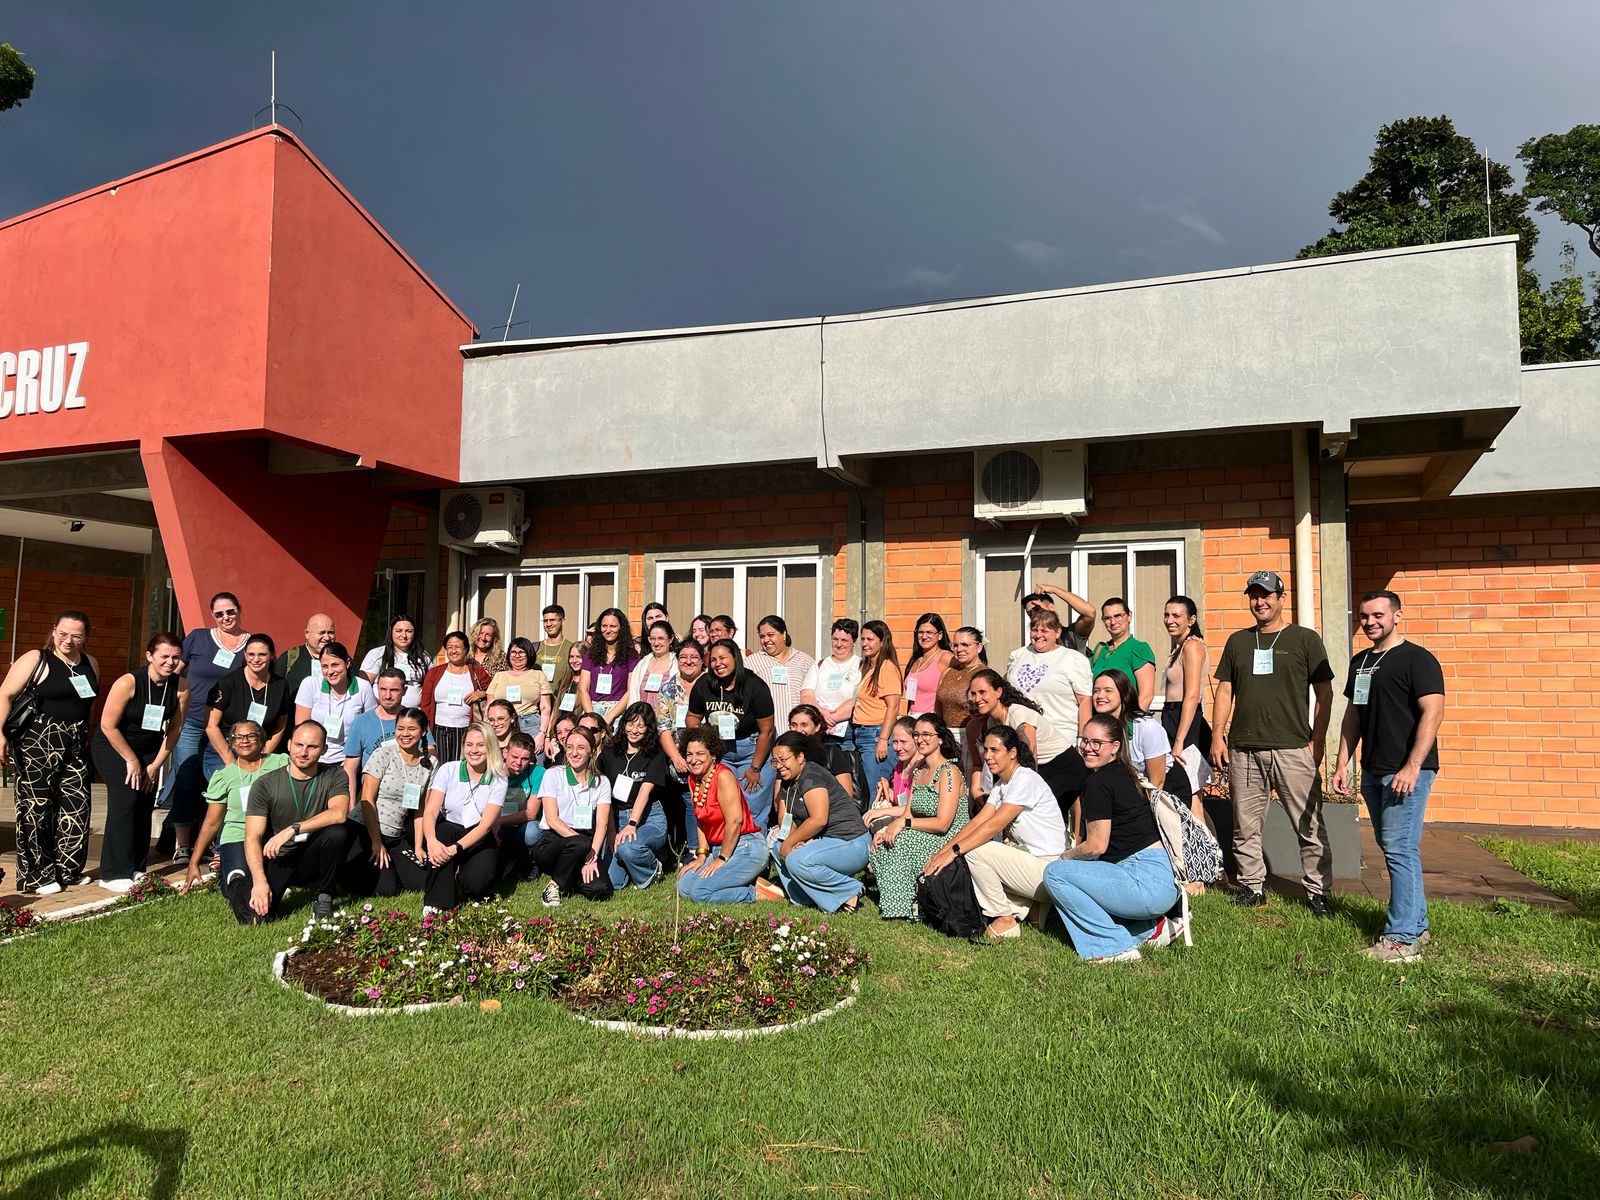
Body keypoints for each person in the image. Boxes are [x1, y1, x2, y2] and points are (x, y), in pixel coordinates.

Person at [1211, 569, 1335, 915]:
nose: (1259, 601)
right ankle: (1252, 887)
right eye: (1253, 595)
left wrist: (1318, 741)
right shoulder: (1238, 641)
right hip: (1244, 749)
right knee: (1245, 825)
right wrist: (1218, 736)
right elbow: (1225, 690)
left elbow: (1324, 693)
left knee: (1309, 825)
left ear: (1281, 598)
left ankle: (1318, 893)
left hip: (1292, 747)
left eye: (1266, 595)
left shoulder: (1304, 639)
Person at [1332, 590, 1446, 962]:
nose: (1370, 622)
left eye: (1378, 615)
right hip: (1374, 770)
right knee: (1395, 848)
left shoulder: (1417, 659)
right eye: (1365, 616)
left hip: (1406, 772)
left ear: (1397, 616)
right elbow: (1353, 715)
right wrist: (1342, 763)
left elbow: (1433, 712)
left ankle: (1401, 939)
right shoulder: (1361, 662)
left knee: (1400, 849)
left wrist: (1412, 766)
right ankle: (1417, 925)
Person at [1042, 714, 1182, 963]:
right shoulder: (1127, 773)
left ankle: (1112, 947)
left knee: (1055, 874)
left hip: (1144, 882)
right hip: (1163, 881)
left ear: (1115, 747)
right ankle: (1150, 929)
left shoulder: (1098, 782)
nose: (1087, 747)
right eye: (1084, 740)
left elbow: (1095, 846)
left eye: (1097, 743)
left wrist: (1064, 857)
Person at [923, 725, 1068, 942]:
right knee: (974, 867)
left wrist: (954, 852)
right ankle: (1032, 909)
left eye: (995, 750)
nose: (988, 756)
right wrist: (942, 852)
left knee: (976, 852)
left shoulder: (1025, 779)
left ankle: (1004, 918)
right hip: (1031, 862)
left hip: (1049, 869)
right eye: (986, 750)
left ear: (1012, 753)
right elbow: (978, 821)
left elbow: (994, 825)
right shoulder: (1002, 785)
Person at [0, 611, 99, 894]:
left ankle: (67, 869)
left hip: (75, 742)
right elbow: (5, 694)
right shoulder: (37, 658)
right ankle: (36, 875)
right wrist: (0, 735)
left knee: (76, 805)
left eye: (76, 636)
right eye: (63, 633)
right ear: (54, 630)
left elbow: (90, 704)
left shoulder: (90, 663)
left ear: (85, 636)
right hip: (38, 741)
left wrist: (86, 735)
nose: (68, 640)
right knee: (35, 809)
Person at [90, 633, 187, 892]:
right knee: (126, 799)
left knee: (144, 802)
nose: (170, 662)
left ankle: (136, 867)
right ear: (149, 656)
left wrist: (155, 765)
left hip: (149, 750)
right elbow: (107, 726)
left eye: (175, 657)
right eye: (164, 656)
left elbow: (175, 729)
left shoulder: (181, 687)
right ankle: (113, 872)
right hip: (115, 746)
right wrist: (131, 760)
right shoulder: (128, 682)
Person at [160, 592, 250, 864]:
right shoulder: (198, 638)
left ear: (239, 610)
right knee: (186, 779)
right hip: (191, 721)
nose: (226, 617)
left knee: (221, 782)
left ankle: (220, 846)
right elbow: (173, 671)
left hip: (225, 727)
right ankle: (182, 845)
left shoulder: (250, 644)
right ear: (213, 615)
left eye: (230, 611)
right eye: (219, 613)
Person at [242, 720, 351, 922]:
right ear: (289, 744)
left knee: (337, 833)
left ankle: (324, 896)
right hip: (280, 857)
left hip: (312, 855)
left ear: (324, 749)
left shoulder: (335, 775)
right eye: (299, 745)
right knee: (255, 917)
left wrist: (292, 829)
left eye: (312, 747)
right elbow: (252, 837)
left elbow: (339, 813)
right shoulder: (265, 784)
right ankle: (235, 882)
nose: (303, 752)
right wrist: (259, 881)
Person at [868, 713, 970, 919]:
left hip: (948, 836)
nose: (920, 739)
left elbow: (943, 823)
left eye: (926, 734)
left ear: (940, 739)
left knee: (903, 844)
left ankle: (909, 907)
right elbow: (908, 812)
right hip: (925, 831)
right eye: (916, 734)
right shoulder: (919, 771)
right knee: (882, 845)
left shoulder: (949, 772)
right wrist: (888, 829)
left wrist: (904, 824)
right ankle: (902, 902)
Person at [185, 720, 288, 904]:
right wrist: (194, 861)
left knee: (269, 883)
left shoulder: (280, 763)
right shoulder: (224, 777)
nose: (244, 741)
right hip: (237, 836)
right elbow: (211, 823)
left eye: (250, 736)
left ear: (261, 739)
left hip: (273, 835)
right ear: (231, 743)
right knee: (238, 884)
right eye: (238, 737)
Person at [767, 731, 871, 912]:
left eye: (783, 759)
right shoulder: (787, 781)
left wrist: (791, 844)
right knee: (777, 845)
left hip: (851, 843)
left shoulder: (811, 775)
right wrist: (794, 840)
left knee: (796, 860)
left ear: (800, 757)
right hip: (823, 841)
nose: (778, 766)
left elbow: (819, 820)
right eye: (775, 761)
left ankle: (850, 890)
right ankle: (805, 897)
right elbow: (786, 820)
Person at [966, 669, 1079, 822]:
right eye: (973, 694)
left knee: (1036, 815)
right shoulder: (991, 722)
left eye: (982, 692)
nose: (977, 699)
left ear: (998, 692)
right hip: (1041, 768)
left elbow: (1029, 764)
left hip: (1064, 767)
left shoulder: (1018, 716)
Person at [686, 639, 777, 827]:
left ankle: (753, 846)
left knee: (752, 810)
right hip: (720, 750)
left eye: (722, 658)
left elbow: (767, 731)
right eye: (713, 660)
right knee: (723, 806)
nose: (717, 664)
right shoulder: (704, 684)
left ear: (735, 658)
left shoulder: (755, 686)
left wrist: (755, 768)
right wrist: (701, 739)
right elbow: (692, 717)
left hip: (753, 749)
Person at [420, 721, 507, 913]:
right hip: (450, 828)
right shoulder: (448, 769)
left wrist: (454, 850)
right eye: (469, 744)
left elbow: (485, 826)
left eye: (480, 745)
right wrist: (431, 841)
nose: (474, 750)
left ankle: (462, 877)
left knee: (477, 886)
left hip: (478, 834)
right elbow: (431, 810)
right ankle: (437, 902)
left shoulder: (499, 778)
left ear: (490, 747)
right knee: (442, 833)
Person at [675, 726, 765, 904]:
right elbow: (700, 819)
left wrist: (723, 857)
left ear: (713, 755)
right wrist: (702, 855)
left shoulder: (723, 775)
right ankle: (741, 882)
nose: (693, 760)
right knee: (684, 887)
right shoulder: (693, 779)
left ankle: (756, 893)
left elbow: (735, 821)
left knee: (700, 893)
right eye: (689, 754)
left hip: (745, 847)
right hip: (717, 849)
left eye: (700, 754)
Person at [351, 707, 434, 898]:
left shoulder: (430, 765)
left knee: (422, 881)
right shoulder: (383, 754)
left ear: (423, 732)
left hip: (395, 836)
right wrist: (376, 841)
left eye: (411, 729)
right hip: (366, 830)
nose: (405, 734)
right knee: (386, 889)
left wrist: (419, 846)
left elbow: (421, 810)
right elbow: (366, 799)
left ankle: (392, 870)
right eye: (400, 728)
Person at [531, 726, 614, 905]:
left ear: (592, 751)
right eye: (570, 747)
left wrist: (592, 855)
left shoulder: (602, 782)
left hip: (586, 842)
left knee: (599, 888)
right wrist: (584, 846)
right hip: (554, 841)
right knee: (580, 843)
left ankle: (569, 879)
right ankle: (553, 886)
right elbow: (553, 820)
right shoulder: (553, 775)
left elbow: (602, 824)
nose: (574, 753)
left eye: (581, 748)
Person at [601, 702, 669, 889]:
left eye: (641, 726)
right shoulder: (609, 753)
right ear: (623, 724)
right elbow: (604, 796)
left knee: (628, 847)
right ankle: (634, 863)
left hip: (649, 817)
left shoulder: (655, 754)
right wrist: (611, 831)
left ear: (649, 729)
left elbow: (644, 793)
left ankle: (653, 869)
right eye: (630, 724)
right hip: (616, 816)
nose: (634, 730)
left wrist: (632, 824)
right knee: (612, 882)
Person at [293, 643, 377, 788]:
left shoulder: (363, 687)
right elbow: (301, 728)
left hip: (348, 759)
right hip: (315, 758)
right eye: (325, 666)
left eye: (335, 665)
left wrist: (353, 758)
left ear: (347, 663)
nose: (330, 671)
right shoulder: (310, 684)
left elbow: (371, 726)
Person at [1159, 596, 1214, 813]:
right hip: (1173, 718)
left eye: (1176, 615)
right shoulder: (1180, 647)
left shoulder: (1192, 646)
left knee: (1191, 798)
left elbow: (1191, 696)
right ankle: (1209, 837)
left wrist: (1180, 740)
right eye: (1166, 615)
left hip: (1186, 723)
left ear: (1191, 620)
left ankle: (1205, 838)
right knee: (1188, 797)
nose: (1169, 620)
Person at [655, 638, 707, 863]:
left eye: (694, 657)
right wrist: (676, 757)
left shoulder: (711, 684)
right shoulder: (668, 688)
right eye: (683, 657)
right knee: (690, 801)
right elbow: (663, 727)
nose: (688, 661)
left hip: (709, 756)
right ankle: (694, 849)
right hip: (680, 758)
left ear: (702, 660)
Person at [1006, 610, 1093, 740]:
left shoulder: (1073, 659)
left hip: (1060, 735)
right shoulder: (1018, 655)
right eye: (1034, 630)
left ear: (1057, 632)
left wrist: (1083, 738)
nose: (1038, 635)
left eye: (1044, 631)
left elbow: (1085, 701)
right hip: (1019, 735)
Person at [206, 635, 291, 762]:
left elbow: (280, 726)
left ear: (272, 655)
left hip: (261, 751)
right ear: (245, 655)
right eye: (251, 654)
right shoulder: (228, 683)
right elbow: (211, 726)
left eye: (262, 654)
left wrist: (263, 755)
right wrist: (231, 762)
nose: (256, 659)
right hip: (225, 751)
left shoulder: (280, 685)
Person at [1091, 669, 1172, 790]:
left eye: (1108, 690)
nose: (1100, 696)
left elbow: (1157, 781)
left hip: (1163, 788)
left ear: (1123, 694)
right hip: (1130, 787)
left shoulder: (1147, 727)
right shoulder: (1096, 728)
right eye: (1096, 691)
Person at [419, 631, 492, 763]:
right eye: (450, 647)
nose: (453, 651)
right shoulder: (434, 673)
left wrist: (482, 693)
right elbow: (425, 704)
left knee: (462, 765)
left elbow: (493, 690)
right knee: (441, 765)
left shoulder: (476, 671)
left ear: (466, 649)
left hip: (466, 729)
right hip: (439, 729)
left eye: (457, 647)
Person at [852, 620, 904, 800]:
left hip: (876, 733)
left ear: (882, 642)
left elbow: (893, 706)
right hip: (863, 733)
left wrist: (882, 739)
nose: (865, 643)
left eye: (870, 639)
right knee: (869, 788)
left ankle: (878, 820)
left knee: (877, 791)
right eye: (862, 639)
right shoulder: (869, 666)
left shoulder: (886, 667)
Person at [746, 615, 816, 729]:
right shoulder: (752, 662)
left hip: (799, 732)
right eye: (762, 636)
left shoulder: (804, 660)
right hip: (769, 732)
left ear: (783, 634)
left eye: (770, 635)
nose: (766, 640)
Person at [799, 618, 862, 745]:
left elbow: (858, 698)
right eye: (835, 639)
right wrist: (821, 713)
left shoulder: (861, 666)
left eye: (844, 640)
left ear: (854, 641)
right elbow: (806, 695)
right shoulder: (820, 664)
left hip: (847, 732)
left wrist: (832, 718)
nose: (838, 644)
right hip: (819, 729)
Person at [1090, 597, 1157, 710]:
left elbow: (1146, 696)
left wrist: (1131, 719)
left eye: (1118, 616)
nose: (1113, 622)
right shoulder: (1100, 650)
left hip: (1126, 717)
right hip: (1099, 718)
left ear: (1129, 616)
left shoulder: (1139, 649)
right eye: (1107, 618)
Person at [496, 731, 544, 882]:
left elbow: (531, 813)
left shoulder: (537, 773)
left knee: (532, 832)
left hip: (523, 825)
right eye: (515, 757)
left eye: (525, 759)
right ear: (505, 753)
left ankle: (531, 861)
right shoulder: (493, 773)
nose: (519, 762)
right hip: (498, 827)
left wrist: (499, 822)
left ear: (532, 758)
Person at [343, 668, 407, 781]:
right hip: (371, 787)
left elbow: (429, 752)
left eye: (394, 690)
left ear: (404, 690)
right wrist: (350, 793)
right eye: (383, 689)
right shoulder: (362, 721)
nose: (387, 696)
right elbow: (350, 767)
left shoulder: (414, 719)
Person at [936, 626, 988, 761]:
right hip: (945, 737)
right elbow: (938, 706)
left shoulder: (984, 675)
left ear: (979, 647)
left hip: (971, 737)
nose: (959, 649)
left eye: (965, 645)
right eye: (955, 645)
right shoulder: (948, 672)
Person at [787, 704, 860, 800]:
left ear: (817, 727)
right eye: (794, 725)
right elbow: (781, 797)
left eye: (804, 725)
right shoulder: (786, 755)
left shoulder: (832, 753)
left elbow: (846, 793)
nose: (798, 730)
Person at [359, 614, 432, 708]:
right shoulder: (377, 654)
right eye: (399, 631)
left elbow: (431, 681)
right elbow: (364, 686)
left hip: (413, 713)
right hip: (382, 710)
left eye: (409, 631)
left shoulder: (423, 655)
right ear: (391, 633)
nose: (404, 635)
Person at [577, 607, 638, 720]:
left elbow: (630, 691)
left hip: (618, 711)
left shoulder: (631, 655)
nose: (608, 630)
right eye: (604, 626)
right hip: (592, 709)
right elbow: (583, 689)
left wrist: (609, 717)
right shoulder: (590, 654)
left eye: (613, 626)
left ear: (621, 628)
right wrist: (592, 717)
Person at [623, 620, 677, 729]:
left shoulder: (676, 665)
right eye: (652, 639)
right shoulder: (642, 664)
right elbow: (633, 697)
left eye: (661, 638)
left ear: (670, 639)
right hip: (643, 725)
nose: (656, 643)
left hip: (667, 726)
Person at [1022, 583, 1097, 654]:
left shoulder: (1070, 635)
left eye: (1037, 609)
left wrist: (1054, 589)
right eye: (1029, 613)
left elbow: (1090, 613)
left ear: (1051, 607)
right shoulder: (1033, 646)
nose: (1034, 615)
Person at [902, 613, 953, 718]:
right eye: (921, 632)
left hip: (931, 720)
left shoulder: (945, 657)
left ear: (940, 635)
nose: (924, 636)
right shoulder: (916, 660)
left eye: (929, 632)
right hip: (912, 718)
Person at [275, 612, 335, 700]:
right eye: (321, 633)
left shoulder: (342, 659)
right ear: (307, 633)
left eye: (330, 632)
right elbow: (274, 690)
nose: (327, 637)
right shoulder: (290, 658)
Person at [875, 717, 918, 814]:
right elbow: (900, 801)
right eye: (895, 742)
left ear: (916, 740)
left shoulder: (923, 768)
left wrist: (881, 812)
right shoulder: (899, 767)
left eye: (903, 742)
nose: (898, 748)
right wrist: (887, 790)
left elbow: (915, 809)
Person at [535, 605, 577, 701]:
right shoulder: (536, 647)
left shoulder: (571, 648)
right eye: (545, 621)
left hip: (560, 703)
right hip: (537, 704)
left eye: (552, 620)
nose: (548, 624)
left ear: (563, 621)